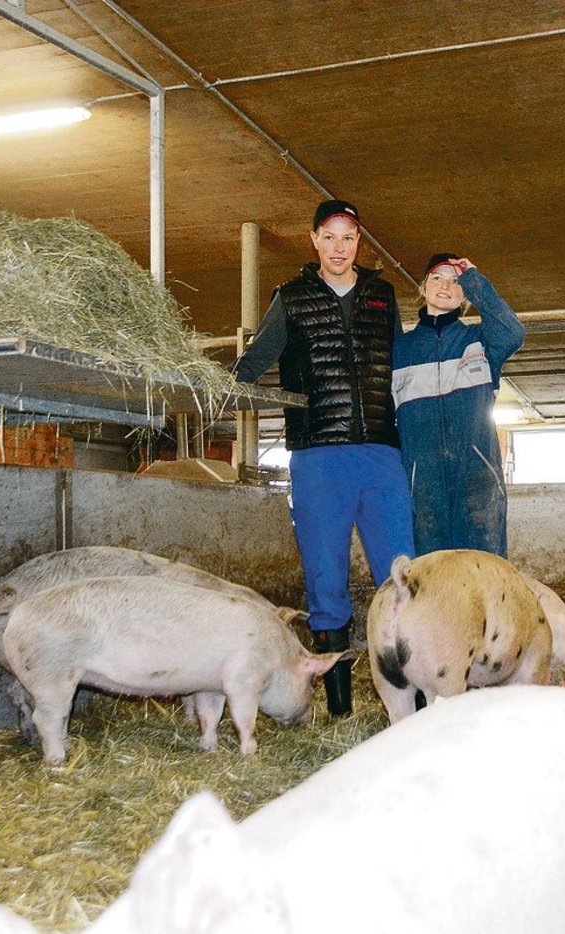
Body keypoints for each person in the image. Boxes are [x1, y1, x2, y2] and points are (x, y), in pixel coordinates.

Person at [232, 198, 415, 716]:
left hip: (381, 451)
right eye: (330, 237)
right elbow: (258, 358)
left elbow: (401, 365)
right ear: (314, 240)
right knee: (325, 576)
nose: (339, 247)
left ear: (360, 242)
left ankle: (409, 697)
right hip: (317, 456)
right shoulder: (290, 299)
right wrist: (212, 388)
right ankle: (338, 709)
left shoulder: (382, 296)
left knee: (401, 570)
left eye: (349, 238)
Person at [392, 253, 525, 557]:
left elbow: (514, 333)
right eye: (437, 278)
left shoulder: (480, 342)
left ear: (465, 295)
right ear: (423, 287)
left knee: (482, 571)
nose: (445, 286)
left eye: (455, 281)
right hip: (422, 484)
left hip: (477, 479)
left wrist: (476, 281)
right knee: (430, 575)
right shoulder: (399, 351)